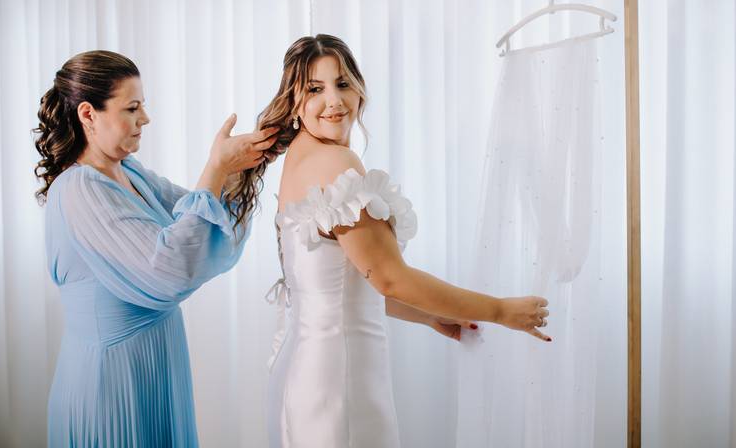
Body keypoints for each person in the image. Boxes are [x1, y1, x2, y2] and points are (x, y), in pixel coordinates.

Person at [223, 34, 551, 448]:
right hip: (338, 385)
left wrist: (430, 316)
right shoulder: (334, 161)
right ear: (294, 102)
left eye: (342, 84)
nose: (334, 101)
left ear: (359, 87)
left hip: (307, 375)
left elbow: (345, 286)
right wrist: (500, 310)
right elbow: (390, 279)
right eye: (315, 89)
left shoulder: (301, 157)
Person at [33, 50, 278, 446]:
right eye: (132, 108)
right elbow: (171, 266)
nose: (145, 118)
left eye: (142, 106)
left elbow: (198, 222)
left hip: (155, 365)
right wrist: (216, 167)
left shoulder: (128, 171)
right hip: (111, 383)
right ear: (88, 114)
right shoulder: (79, 189)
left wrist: (238, 167)